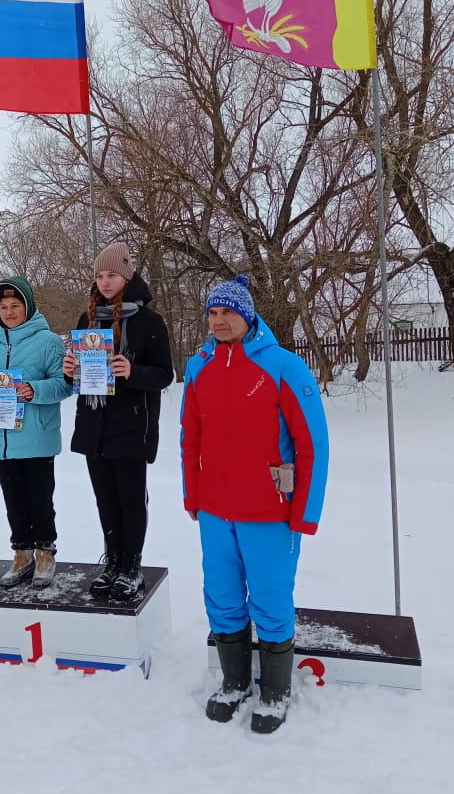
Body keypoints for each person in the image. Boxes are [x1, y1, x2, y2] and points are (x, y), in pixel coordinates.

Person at [180, 275, 329, 733]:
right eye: (213, 313)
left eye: (227, 312)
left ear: (247, 315)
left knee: (269, 598)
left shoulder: (284, 366)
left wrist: (305, 512)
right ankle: (235, 682)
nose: (219, 320)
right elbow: (191, 436)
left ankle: (276, 691)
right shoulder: (198, 367)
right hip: (215, 510)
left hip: (270, 511)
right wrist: (193, 494)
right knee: (222, 597)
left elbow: (313, 446)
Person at [63, 241, 173, 601]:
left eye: (111, 274)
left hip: (132, 425)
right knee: (104, 499)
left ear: (126, 275)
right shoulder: (88, 319)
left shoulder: (149, 321)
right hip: (95, 425)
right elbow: (79, 377)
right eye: (99, 275)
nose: (105, 281)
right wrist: (69, 371)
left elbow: (164, 374)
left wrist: (132, 370)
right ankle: (112, 562)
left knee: (130, 500)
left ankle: (131, 566)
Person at [0, 277, 70, 588]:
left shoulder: (49, 341)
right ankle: (22, 553)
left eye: (16, 306)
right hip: (1, 437)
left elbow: (66, 383)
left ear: (27, 306)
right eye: (4, 307)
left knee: (40, 500)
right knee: (13, 500)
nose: (10, 312)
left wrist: (33, 390)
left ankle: (44, 552)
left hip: (37, 437)